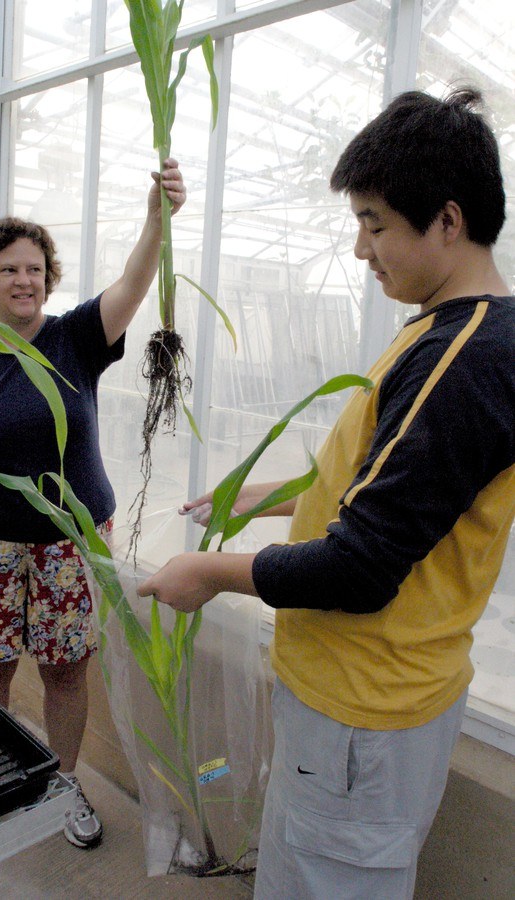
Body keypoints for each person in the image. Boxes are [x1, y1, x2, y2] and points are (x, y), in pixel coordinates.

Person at [137, 88, 515, 898]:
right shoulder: (441, 333)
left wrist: (210, 573)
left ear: (446, 221)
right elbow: (384, 486)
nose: (359, 249)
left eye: (374, 223)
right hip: (360, 707)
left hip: (362, 711)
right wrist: (261, 493)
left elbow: (360, 566)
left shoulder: (468, 358)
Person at [0, 160, 186, 850]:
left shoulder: (74, 338)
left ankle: (61, 780)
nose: (24, 280)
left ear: (48, 278)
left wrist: (155, 218)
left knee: (63, 668)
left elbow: (133, 286)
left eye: (34, 269)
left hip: (69, 544)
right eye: (8, 271)